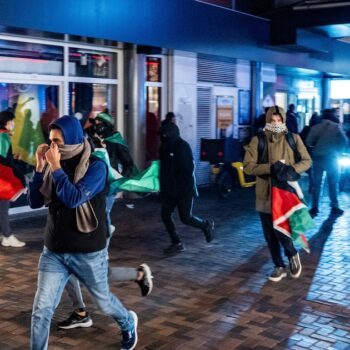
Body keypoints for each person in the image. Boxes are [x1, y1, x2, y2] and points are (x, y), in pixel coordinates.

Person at [28, 115, 138, 350]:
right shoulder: (51, 163)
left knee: (104, 303)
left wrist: (55, 167)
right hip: (54, 251)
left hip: (87, 251)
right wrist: (39, 167)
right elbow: (35, 201)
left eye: (58, 141)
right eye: (50, 141)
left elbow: (73, 198)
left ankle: (128, 322)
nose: (53, 147)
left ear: (73, 138)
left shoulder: (96, 166)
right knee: (41, 310)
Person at [244, 106, 311, 282]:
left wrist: (291, 170)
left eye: (278, 120)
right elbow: (248, 166)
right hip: (265, 194)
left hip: (285, 193)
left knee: (283, 230)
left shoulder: (293, 138)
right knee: (269, 234)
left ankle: (292, 254)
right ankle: (278, 266)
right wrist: (270, 168)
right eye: (272, 120)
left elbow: (307, 161)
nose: (275, 123)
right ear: (268, 120)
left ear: (283, 120)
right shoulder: (258, 140)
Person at [159, 121, 214, 255]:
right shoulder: (163, 147)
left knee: (185, 218)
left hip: (184, 190)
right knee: (165, 214)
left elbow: (188, 170)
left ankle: (206, 225)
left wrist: (174, 179)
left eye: (164, 135)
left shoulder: (182, 147)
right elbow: (163, 168)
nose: (161, 137)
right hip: (169, 189)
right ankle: (176, 242)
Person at [306, 109, 348, 217]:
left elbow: (308, 142)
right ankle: (335, 206)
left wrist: (316, 146)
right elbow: (344, 140)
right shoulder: (336, 127)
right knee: (333, 183)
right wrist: (339, 150)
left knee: (317, 184)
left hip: (318, 158)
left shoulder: (316, 127)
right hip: (332, 158)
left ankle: (314, 207)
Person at [0, 110, 26, 247]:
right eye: (12, 121)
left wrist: (12, 157)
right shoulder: (3, 136)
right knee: (3, 208)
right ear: (7, 122)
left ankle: (6, 236)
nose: (13, 124)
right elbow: (3, 161)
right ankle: (8, 236)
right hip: (2, 179)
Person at [300, 112, 321, 193]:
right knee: (314, 169)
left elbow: (301, 139)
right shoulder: (318, 129)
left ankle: (312, 184)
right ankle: (313, 184)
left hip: (307, 151)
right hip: (314, 151)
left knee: (309, 169)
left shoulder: (307, 128)